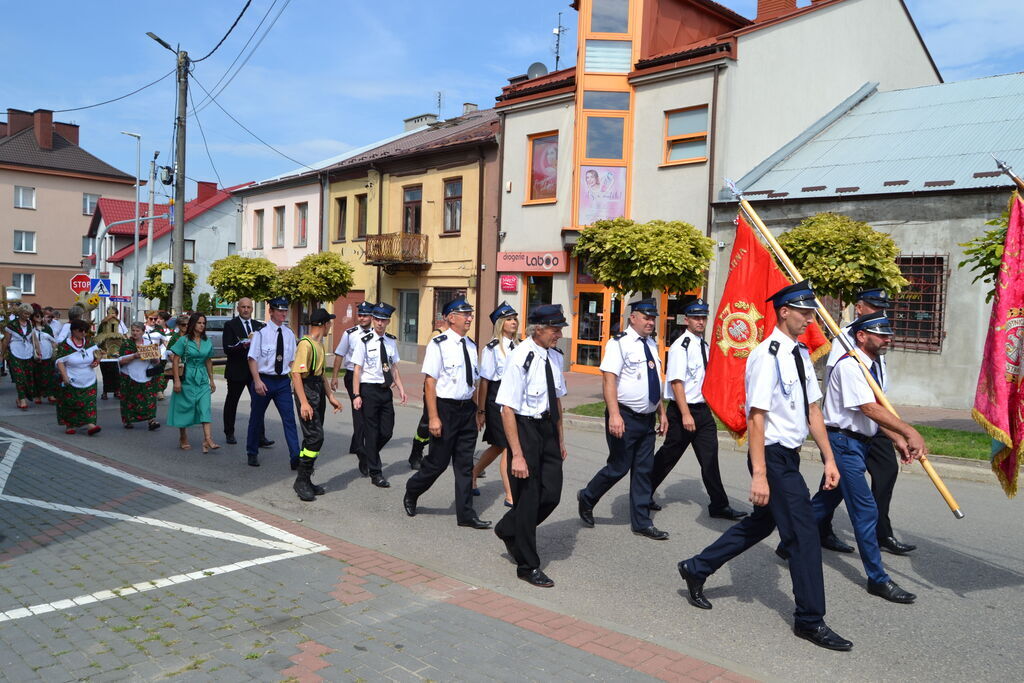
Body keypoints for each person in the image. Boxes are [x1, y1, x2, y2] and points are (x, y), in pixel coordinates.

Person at [677, 281, 852, 652]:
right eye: (804, 312)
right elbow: (756, 417)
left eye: (812, 312)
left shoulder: (801, 354)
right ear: (784, 311)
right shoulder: (765, 355)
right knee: (803, 534)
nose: (810, 318)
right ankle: (810, 619)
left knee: (762, 522)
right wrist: (759, 474)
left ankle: (697, 567)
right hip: (771, 457)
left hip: (788, 455)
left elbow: (813, 410)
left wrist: (829, 458)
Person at [797, 312, 921, 603]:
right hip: (843, 443)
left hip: (860, 442)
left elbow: (874, 416)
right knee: (865, 510)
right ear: (862, 336)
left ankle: (790, 544)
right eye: (880, 334)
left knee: (825, 502)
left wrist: (898, 439)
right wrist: (909, 430)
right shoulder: (851, 367)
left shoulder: (872, 365)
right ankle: (878, 579)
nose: (887, 338)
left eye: (888, 333)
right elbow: (868, 408)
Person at [820, 289, 914, 556]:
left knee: (886, 472)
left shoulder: (879, 335)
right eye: (873, 306)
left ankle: (881, 532)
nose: (879, 311)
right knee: (836, 484)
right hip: (853, 419)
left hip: (876, 421)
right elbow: (834, 378)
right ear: (859, 308)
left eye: (882, 307)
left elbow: (878, 381)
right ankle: (819, 529)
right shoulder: (847, 337)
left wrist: (896, 432)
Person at [577, 298, 669, 540]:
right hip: (625, 416)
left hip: (647, 418)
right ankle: (587, 496)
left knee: (643, 470)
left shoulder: (651, 344)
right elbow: (609, 380)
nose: (651, 322)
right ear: (633, 317)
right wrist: (615, 414)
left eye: (653, 318)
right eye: (646, 317)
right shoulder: (619, 343)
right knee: (619, 467)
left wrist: (662, 412)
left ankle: (641, 522)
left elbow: (653, 379)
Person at [649, 298, 747, 519]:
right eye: (696, 317)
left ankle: (719, 505)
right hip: (683, 411)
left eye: (703, 317)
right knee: (668, 456)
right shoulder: (680, 346)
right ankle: (643, 492)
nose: (700, 321)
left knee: (710, 459)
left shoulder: (703, 345)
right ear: (686, 320)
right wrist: (685, 414)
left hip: (702, 412)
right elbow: (676, 382)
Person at [493, 304, 569, 587]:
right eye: (554, 329)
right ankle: (527, 564)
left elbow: (557, 399)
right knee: (528, 500)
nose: (559, 334)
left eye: (559, 329)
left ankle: (508, 528)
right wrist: (517, 455)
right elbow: (508, 409)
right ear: (538, 329)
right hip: (525, 429)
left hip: (548, 428)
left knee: (552, 494)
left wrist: (560, 439)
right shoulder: (520, 357)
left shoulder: (554, 357)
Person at [403, 298, 490, 529]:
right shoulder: (438, 344)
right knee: (437, 464)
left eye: (470, 314)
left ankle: (466, 514)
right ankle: (412, 490)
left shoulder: (471, 345)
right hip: (445, 409)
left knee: (464, 466)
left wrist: (479, 411)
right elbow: (430, 383)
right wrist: (433, 417)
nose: (470, 318)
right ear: (451, 317)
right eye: (465, 314)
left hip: (466, 411)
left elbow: (474, 382)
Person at [351, 303, 408, 488]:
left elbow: (393, 367)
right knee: (372, 432)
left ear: (388, 321)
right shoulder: (364, 340)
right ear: (373, 320)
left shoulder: (391, 342)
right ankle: (376, 473)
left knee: (387, 431)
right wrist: (356, 394)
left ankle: (366, 453)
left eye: (383, 320)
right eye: (377, 319)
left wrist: (400, 388)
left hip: (385, 391)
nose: (380, 323)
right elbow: (357, 369)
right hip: (368, 389)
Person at [291, 308, 342, 501]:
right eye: (329, 322)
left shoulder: (319, 345)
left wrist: (330, 396)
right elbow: (296, 374)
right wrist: (304, 402)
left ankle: (306, 478)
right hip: (306, 391)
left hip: (316, 390)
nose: (330, 326)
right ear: (323, 325)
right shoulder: (306, 345)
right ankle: (301, 481)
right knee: (315, 437)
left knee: (311, 438)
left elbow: (320, 374)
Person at [472, 302, 519, 507]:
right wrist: (481, 411)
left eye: (515, 318)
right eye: (509, 319)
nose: (514, 322)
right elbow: (485, 381)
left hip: (515, 400)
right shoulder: (492, 349)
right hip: (496, 400)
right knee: (507, 445)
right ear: (500, 323)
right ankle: (510, 494)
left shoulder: (520, 345)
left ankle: (472, 474)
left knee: (499, 446)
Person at [246, 297, 301, 469]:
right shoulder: (261, 334)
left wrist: (295, 379)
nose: (284, 313)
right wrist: (257, 381)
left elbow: (292, 360)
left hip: (282, 382)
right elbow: (252, 359)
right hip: (264, 380)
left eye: (285, 310)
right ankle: (252, 452)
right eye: (280, 310)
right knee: (256, 418)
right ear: (271, 312)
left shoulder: (289, 334)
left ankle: (295, 457)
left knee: (289, 419)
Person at [222, 298, 272, 447]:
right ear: (238, 308)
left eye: (248, 307)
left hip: (254, 373)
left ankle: (260, 436)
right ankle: (229, 432)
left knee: (258, 403)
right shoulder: (230, 325)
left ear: (252, 309)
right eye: (243, 307)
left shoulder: (259, 326)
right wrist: (242, 345)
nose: (245, 310)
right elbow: (227, 348)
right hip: (236, 370)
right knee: (232, 403)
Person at [330, 301, 373, 468]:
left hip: (368, 378)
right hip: (351, 376)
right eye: (360, 315)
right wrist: (335, 377)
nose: (362, 318)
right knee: (359, 411)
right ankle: (360, 447)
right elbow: (339, 355)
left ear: (371, 316)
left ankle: (356, 444)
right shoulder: (350, 334)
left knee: (366, 412)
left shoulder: (377, 333)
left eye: (365, 315)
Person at [167, 313, 218, 452]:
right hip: (187, 377)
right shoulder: (183, 340)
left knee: (205, 407)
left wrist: (211, 380)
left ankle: (208, 439)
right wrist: (177, 380)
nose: (202, 325)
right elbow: (176, 360)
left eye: (204, 323)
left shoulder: (207, 341)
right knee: (185, 407)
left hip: (201, 378)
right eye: (199, 323)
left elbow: (208, 360)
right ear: (193, 324)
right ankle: (183, 436)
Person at [407, 315, 450, 470]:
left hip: (448, 390)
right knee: (427, 422)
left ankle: (463, 460)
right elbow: (431, 364)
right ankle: (416, 452)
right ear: (447, 317)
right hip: (434, 387)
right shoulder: (437, 335)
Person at [54, 319, 102, 436]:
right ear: (73, 330)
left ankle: (90, 424)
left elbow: (98, 354)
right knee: (72, 403)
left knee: (89, 403)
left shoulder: (89, 343)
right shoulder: (65, 346)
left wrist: (96, 362)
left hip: (89, 379)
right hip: (72, 379)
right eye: (81, 331)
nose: (83, 333)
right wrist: (65, 377)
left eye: (85, 331)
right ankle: (70, 424)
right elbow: (59, 361)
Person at [117, 321, 161, 431]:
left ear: (143, 331)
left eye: (138, 331)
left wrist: (154, 359)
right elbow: (120, 361)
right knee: (129, 399)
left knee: (149, 398)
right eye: (133, 330)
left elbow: (157, 361)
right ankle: (128, 420)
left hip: (146, 374)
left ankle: (151, 420)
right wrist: (134, 356)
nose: (135, 333)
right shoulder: (127, 344)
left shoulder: (149, 343)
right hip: (129, 375)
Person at [5, 303, 39, 409]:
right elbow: (6, 341)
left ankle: (20, 398)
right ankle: (23, 400)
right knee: (19, 377)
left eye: (29, 314)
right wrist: (2, 354)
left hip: (27, 353)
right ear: (20, 313)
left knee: (28, 377)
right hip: (15, 352)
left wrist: (38, 350)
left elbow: (34, 339)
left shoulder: (30, 324)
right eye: (25, 313)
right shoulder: (12, 325)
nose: (27, 316)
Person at [95, 305, 125, 401]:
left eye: (113, 314)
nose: (111, 316)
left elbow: (124, 335)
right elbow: (98, 336)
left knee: (116, 373)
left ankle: (117, 391)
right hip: (105, 353)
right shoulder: (103, 324)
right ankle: (105, 392)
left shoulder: (120, 324)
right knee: (105, 373)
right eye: (109, 313)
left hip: (116, 353)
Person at [32, 311, 58, 403]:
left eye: (41, 316)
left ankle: (50, 394)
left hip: (47, 355)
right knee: (37, 375)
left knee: (49, 375)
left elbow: (53, 341)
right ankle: (37, 395)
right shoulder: (30, 328)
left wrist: (55, 352)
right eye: (37, 315)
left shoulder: (47, 328)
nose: (39, 317)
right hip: (35, 356)